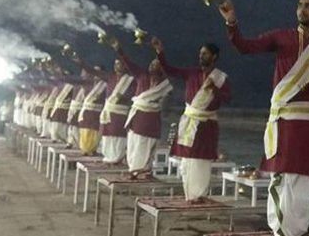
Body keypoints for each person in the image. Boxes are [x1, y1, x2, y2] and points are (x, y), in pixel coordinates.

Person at [218, 0, 309, 236]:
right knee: (280, 174)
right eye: (300, 5)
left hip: (307, 121)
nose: (302, 10)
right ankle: (279, 231)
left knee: (303, 174)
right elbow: (245, 46)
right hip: (283, 118)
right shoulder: (280, 37)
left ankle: (296, 232)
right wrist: (232, 22)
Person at [151, 37, 231, 202]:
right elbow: (169, 69)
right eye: (200, 53)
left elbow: (228, 98)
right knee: (188, 160)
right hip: (189, 122)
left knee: (201, 160)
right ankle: (189, 195)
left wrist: (214, 89)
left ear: (214, 56)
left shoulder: (220, 78)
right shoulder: (192, 73)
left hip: (206, 125)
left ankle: (200, 195)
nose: (201, 56)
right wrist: (160, 52)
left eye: (205, 53)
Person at [113, 41, 172, 178]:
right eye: (151, 63)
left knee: (146, 146)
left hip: (151, 120)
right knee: (134, 144)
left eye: (156, 64)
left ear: (161, 68)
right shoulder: (141, 75)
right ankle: (135, 170)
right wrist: (119, 50)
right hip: (137, 117)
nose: (152, 65)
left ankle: (141, 171)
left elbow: (165, 106)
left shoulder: (165, 84)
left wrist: (160, 52)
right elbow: (128, 63)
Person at [78, 54, 135, 164]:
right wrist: (81, 63)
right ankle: (108, 157)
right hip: (109, 112)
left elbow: (133, 95)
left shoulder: (131, 80)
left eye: (120, 64)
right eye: (115, 64)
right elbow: (94, 72)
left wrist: (123, 97)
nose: (117, 66)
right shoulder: (110, 77)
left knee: (118, 135)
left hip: (120, 113)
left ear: (125, 66)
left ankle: (117, 159)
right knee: (107, 134)